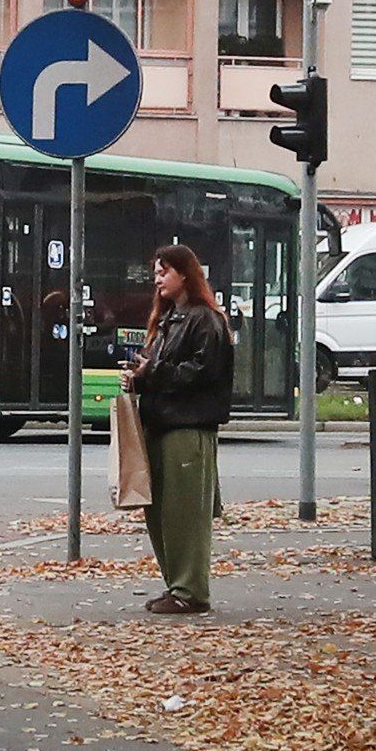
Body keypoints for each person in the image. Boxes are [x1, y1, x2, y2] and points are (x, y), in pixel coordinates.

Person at [122, 244, 234, 615]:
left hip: (188, 427)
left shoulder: (205, 320)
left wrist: (151, 373)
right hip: (163, 423)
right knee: (162, 512)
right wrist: (139, 379)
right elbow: (167, 372)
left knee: (185, 513)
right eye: (156, 272)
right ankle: (177, 585)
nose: (157, 279)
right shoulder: (169, 320)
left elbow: (202, 373)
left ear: (185, 274)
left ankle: (190, 590)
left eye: (164, 271)